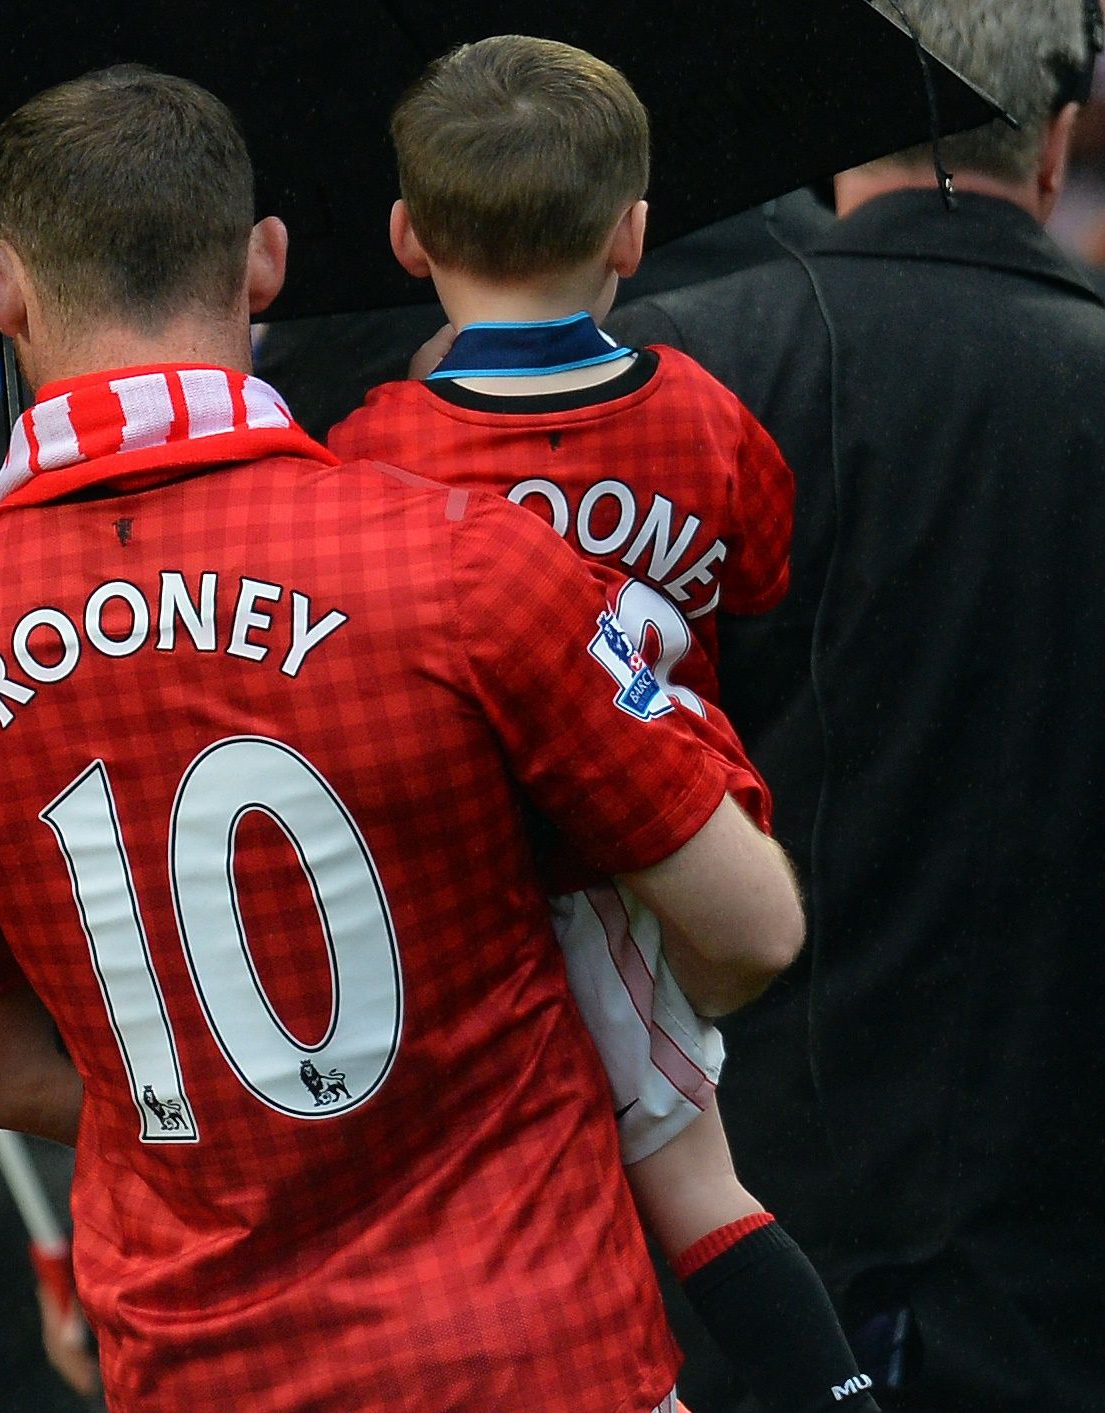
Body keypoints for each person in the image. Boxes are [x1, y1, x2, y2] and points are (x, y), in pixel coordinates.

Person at [0, 65, 803, 1412]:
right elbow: (751, 924)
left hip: (203, 1368)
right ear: (263, 263)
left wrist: (223, 1102)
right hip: (533, 1347)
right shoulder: (466, 563)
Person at [326, 37, 879, 1413]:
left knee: (595, 1194)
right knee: (686, 1178)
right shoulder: (703, 418)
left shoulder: (371, 449)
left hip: (451, 882)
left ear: (404, 237)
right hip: (653, 856)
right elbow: (750, 578)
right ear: (632, 233)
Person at [604, 2, 1105, 1407]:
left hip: (733, 1247)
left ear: (826, 149)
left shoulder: (665, 389)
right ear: (1056, 145)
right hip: (1058, 1270)